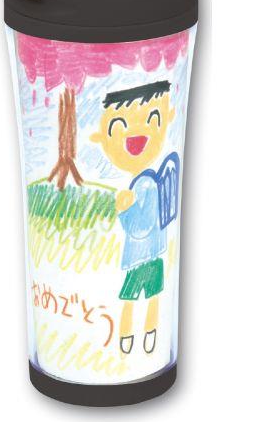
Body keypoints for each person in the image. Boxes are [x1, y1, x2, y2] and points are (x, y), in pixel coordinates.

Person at [90, 81, 176, 354]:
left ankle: (129, 341)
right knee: (151, 298)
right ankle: (147, 339)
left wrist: (124, 210)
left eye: (152, 119)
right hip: (154, 255)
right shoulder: (149, 180)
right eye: (119, 126)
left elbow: (141, 227)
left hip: (141, 257)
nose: (136, 132)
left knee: (132, 299)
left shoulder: (145, 185)